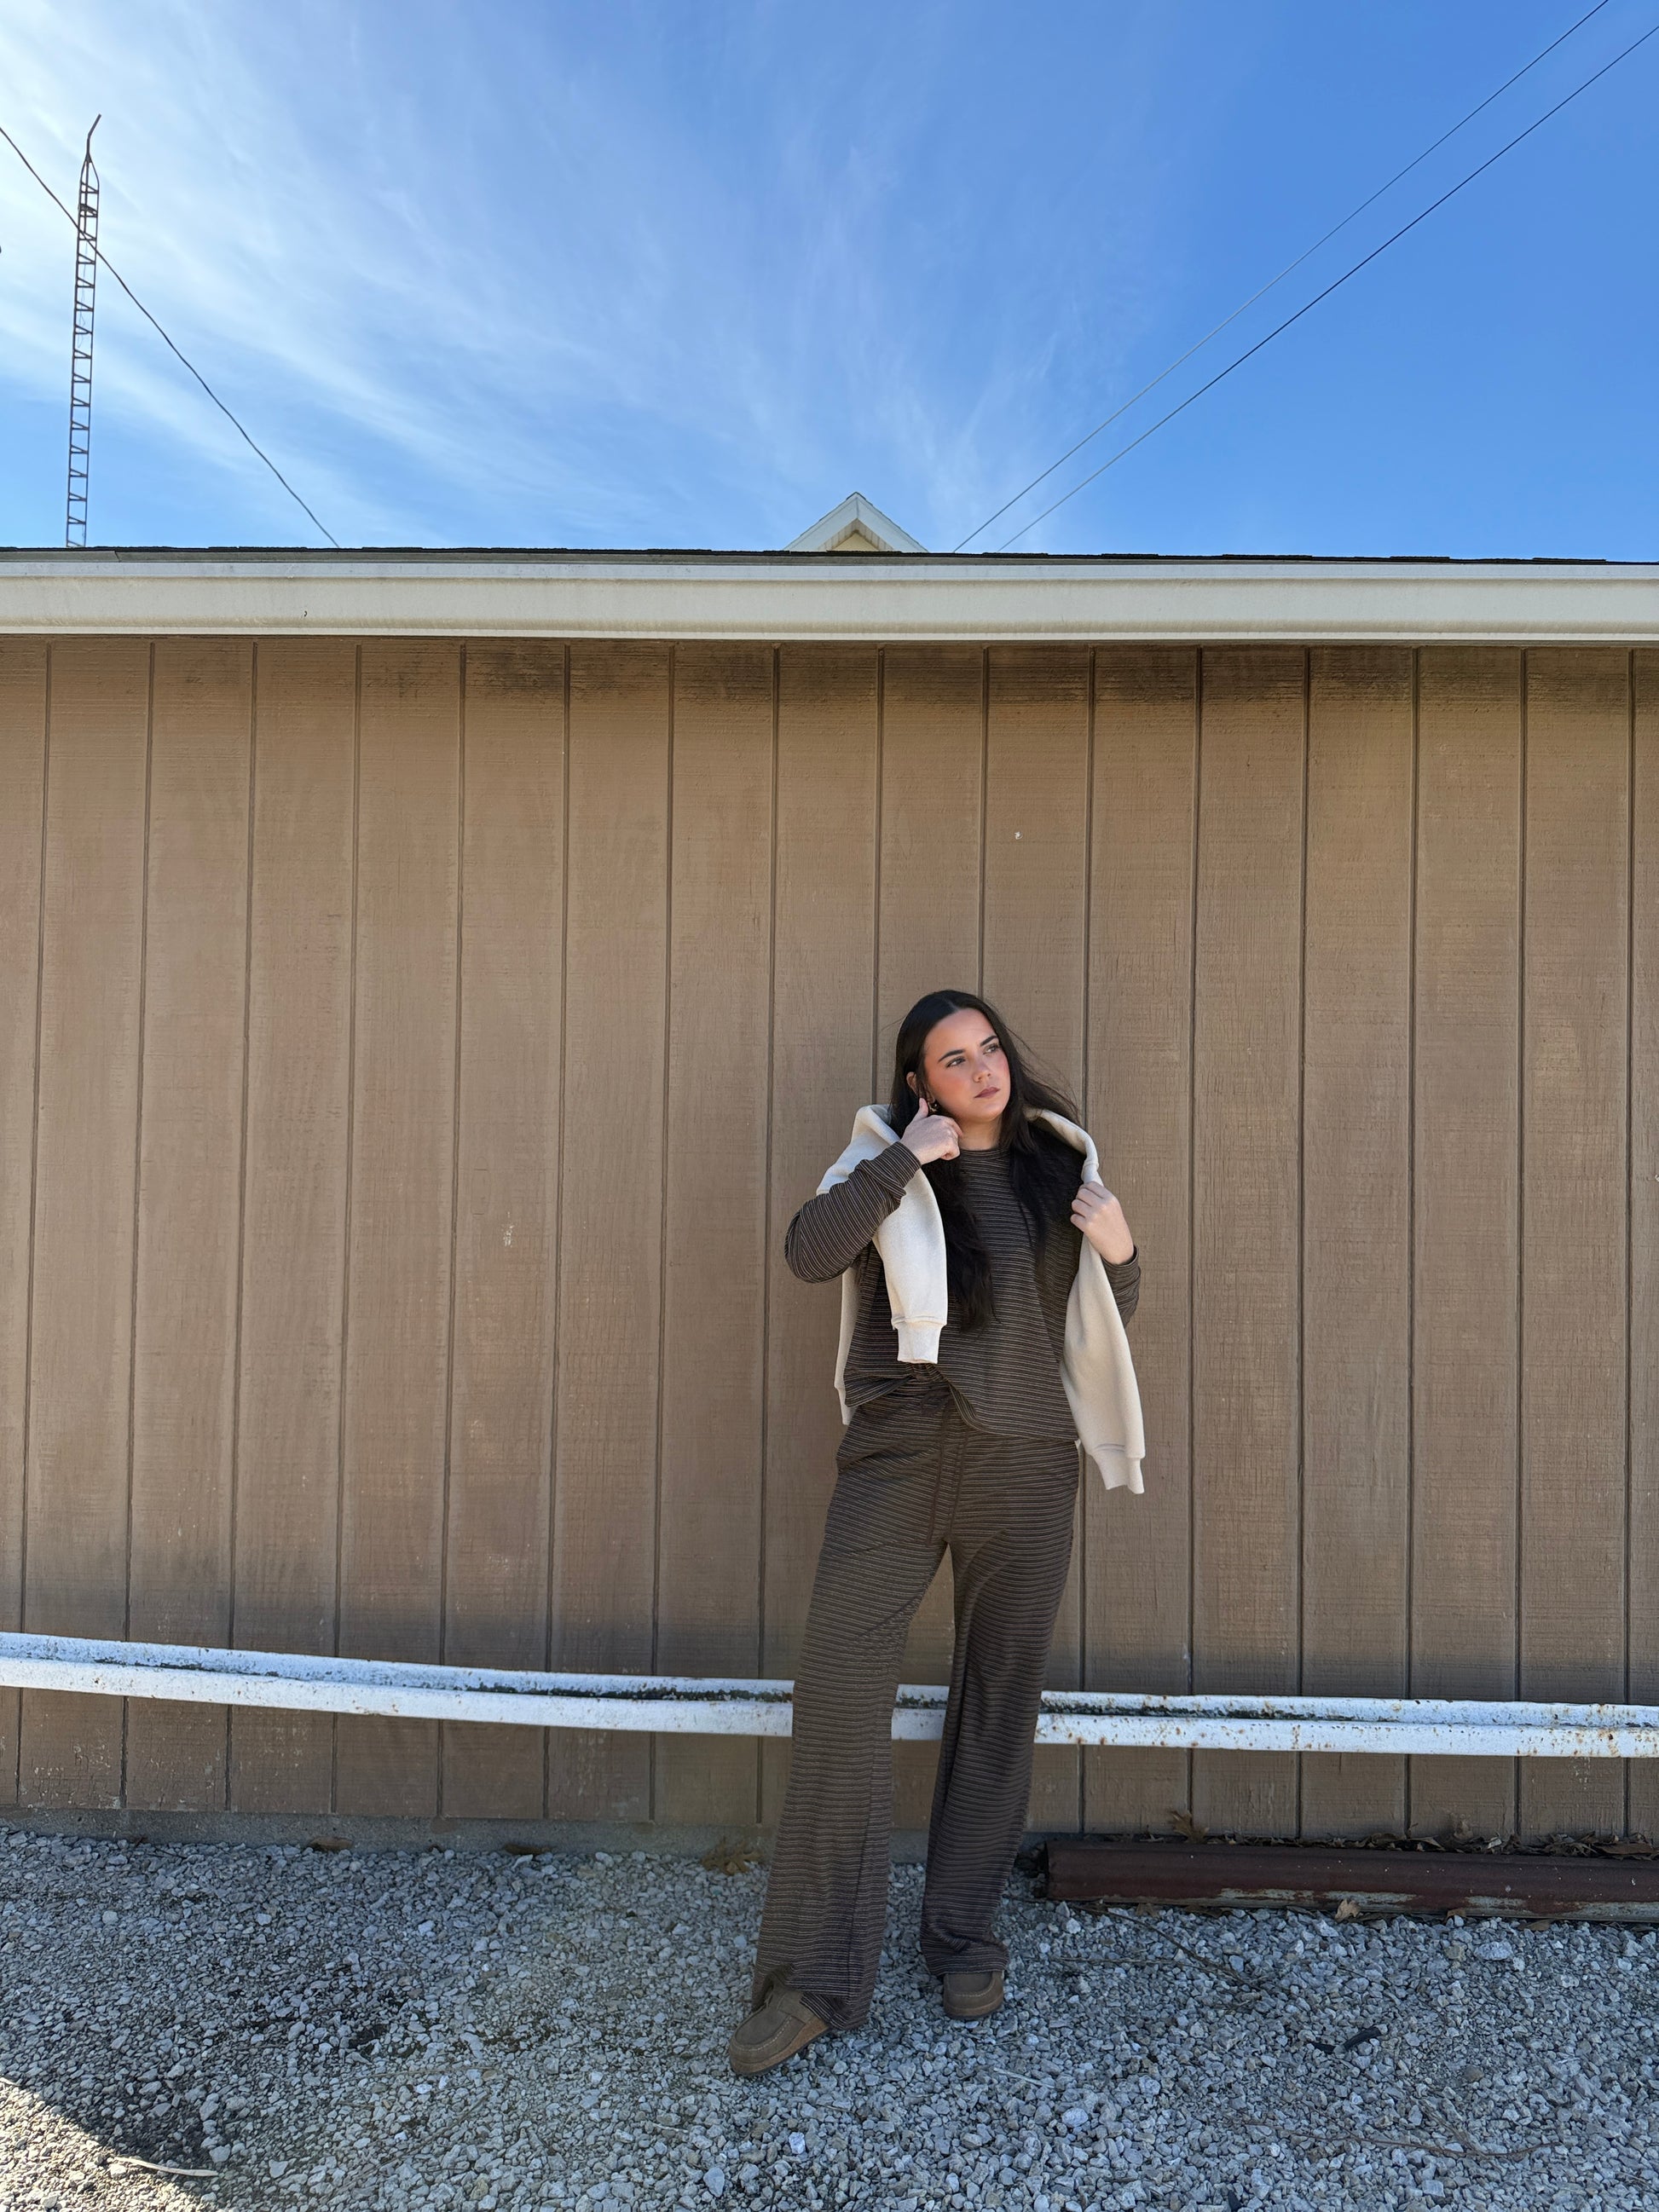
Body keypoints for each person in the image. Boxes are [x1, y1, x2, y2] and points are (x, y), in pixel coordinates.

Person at [727, 988, 1144, 2076]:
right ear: (918, 1082)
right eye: (952, 1058)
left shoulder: (1059, 1167)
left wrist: (1121, 1251)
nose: (980, 1068)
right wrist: (901, 1163)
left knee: (998, 1695)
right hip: (901, 1458)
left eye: (988, 1047)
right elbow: (810, 1252)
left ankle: (962, 1937)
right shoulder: (882, 1159)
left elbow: (1096, 1322)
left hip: (1027, 1465)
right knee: (838, 1691)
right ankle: (812, 1979)